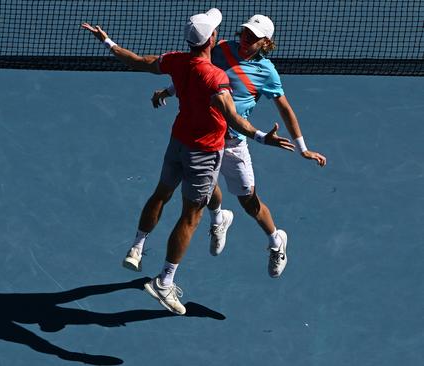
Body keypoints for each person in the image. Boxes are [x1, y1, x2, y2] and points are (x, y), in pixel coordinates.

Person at [82, 9, 294, 315]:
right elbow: (234, 118)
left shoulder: (176, 61)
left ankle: (138, 246)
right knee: (191, 216)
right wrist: (264, 138)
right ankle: (165, 281)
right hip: (205, 151)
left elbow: (138, 61)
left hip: (177, 143)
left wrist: (107, 42)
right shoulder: (215, 77)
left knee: (162, 193)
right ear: (212, 39)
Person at [150, 14, 327, 278]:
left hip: (234, 142)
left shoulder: (267, 72)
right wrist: (168, 90)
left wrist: (303, 148)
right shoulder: (221, 49)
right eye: (245, 32)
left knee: (249, 202)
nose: (246, 38)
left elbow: (286, 109)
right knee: (205, 190)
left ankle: (276, 241)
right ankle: (219, 218)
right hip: (206, 138)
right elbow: (198, 74)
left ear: (265, 42)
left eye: (253, 37)